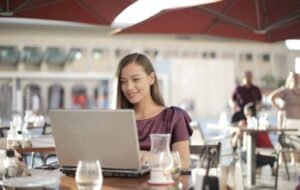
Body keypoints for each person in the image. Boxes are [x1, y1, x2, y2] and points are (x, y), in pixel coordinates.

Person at [115, 53, 193, 169]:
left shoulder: (174, 116)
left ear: (151, 78)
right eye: (123, 81)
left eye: (135, 79)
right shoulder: (117, 120)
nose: (129, 87)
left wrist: (152, 157)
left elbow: (185, 162)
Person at [231, 103, 276, 175]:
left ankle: (233, 171)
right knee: (260, 147)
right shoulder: (262, 123)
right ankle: (270, 167)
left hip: (256, 157)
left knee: (238, 153)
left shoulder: (245, 123)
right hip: (272, 156)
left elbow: (236, 138)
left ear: (248, 112)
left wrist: (235, 139)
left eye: (245, 112)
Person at [269, 72, 300, 163]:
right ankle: (281, 161)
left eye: (297, 78)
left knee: (296, 140)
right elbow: (272, 97)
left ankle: (295, 160)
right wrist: (278, 106)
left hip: (298, 120)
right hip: (288, 120)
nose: (296, 80)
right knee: (286, 140)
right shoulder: (285, 90)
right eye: (294, 78)